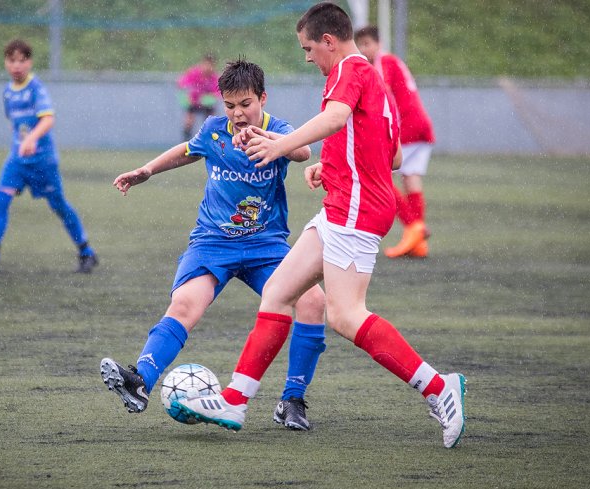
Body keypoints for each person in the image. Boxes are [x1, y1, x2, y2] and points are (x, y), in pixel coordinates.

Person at [174, 3, 467, 449]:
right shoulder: (373, 78)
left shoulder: (349, 68)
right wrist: (326, 166)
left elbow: (335, 120)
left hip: (357, 210)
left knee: (346, 315)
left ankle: (439, 387)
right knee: (279, 292)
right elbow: (391, 157)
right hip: (343, 203)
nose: (308, 56)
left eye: (309, 48)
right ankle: (235, 400)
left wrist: (279, 147)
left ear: (328, 41)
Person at [100, 59, 328, 431]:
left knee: (313, 301)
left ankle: (292, 400)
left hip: (265, 245)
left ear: (263, 99)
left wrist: (265, 139)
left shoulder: (280, 130)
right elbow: (188, 150)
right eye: (230, 105)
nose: (238, 114)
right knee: (185, 303)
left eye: (246, 104)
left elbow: (302, 152)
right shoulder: (214, 130)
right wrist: (146, 171)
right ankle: (140, 380)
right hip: (212, 242)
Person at [0, 39, 97, 274]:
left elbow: (48, 119)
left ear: (30, 62)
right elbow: (16, 126)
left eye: (22, 60)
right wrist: (22, 143)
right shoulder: (7, 92)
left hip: (43, 161)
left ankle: (86, 252)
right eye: (11, 60)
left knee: (59, 206)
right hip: (17, 161)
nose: (17, 66)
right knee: (0, 199)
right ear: (5, 62)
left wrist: (32, 139)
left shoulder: (36, 89)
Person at [355, 25, 436, 259]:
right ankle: (417, 242)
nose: (363, 49)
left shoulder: (382, 62)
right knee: (411, 177)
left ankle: (414, 226)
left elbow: (381, 94)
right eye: (360, 45)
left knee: (377, 175)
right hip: (420, 125)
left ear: (378, 44)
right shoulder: (392, 60)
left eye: (367, 44)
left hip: (408, 127)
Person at [177, 54, 221, 141]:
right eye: (206, 64)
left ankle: (210, 140)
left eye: (210, 65)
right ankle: (185, 141)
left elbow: (218, 92)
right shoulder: (193, 73)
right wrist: (186, 96)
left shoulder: (214, 77)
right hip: (193, 101)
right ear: (202, 64)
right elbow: (181, 83)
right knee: (189, 120)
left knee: (210, 121)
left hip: (206, 103)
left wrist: (208, 98)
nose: (207, 67)